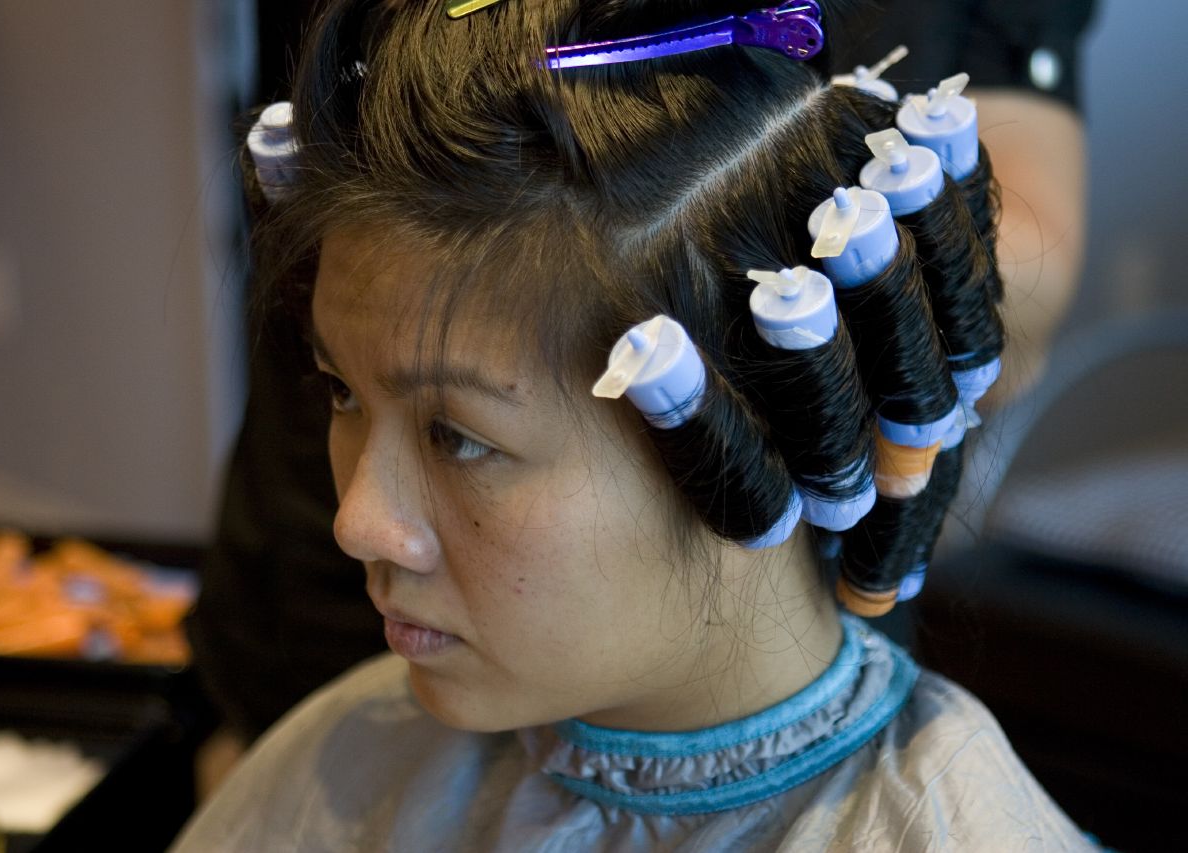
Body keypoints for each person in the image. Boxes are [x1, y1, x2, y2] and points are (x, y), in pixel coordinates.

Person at [172, 1, 1100, 848]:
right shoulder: (344, 769)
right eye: (342, 392)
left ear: (756, 422)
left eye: (459, 436)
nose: (357, 521)